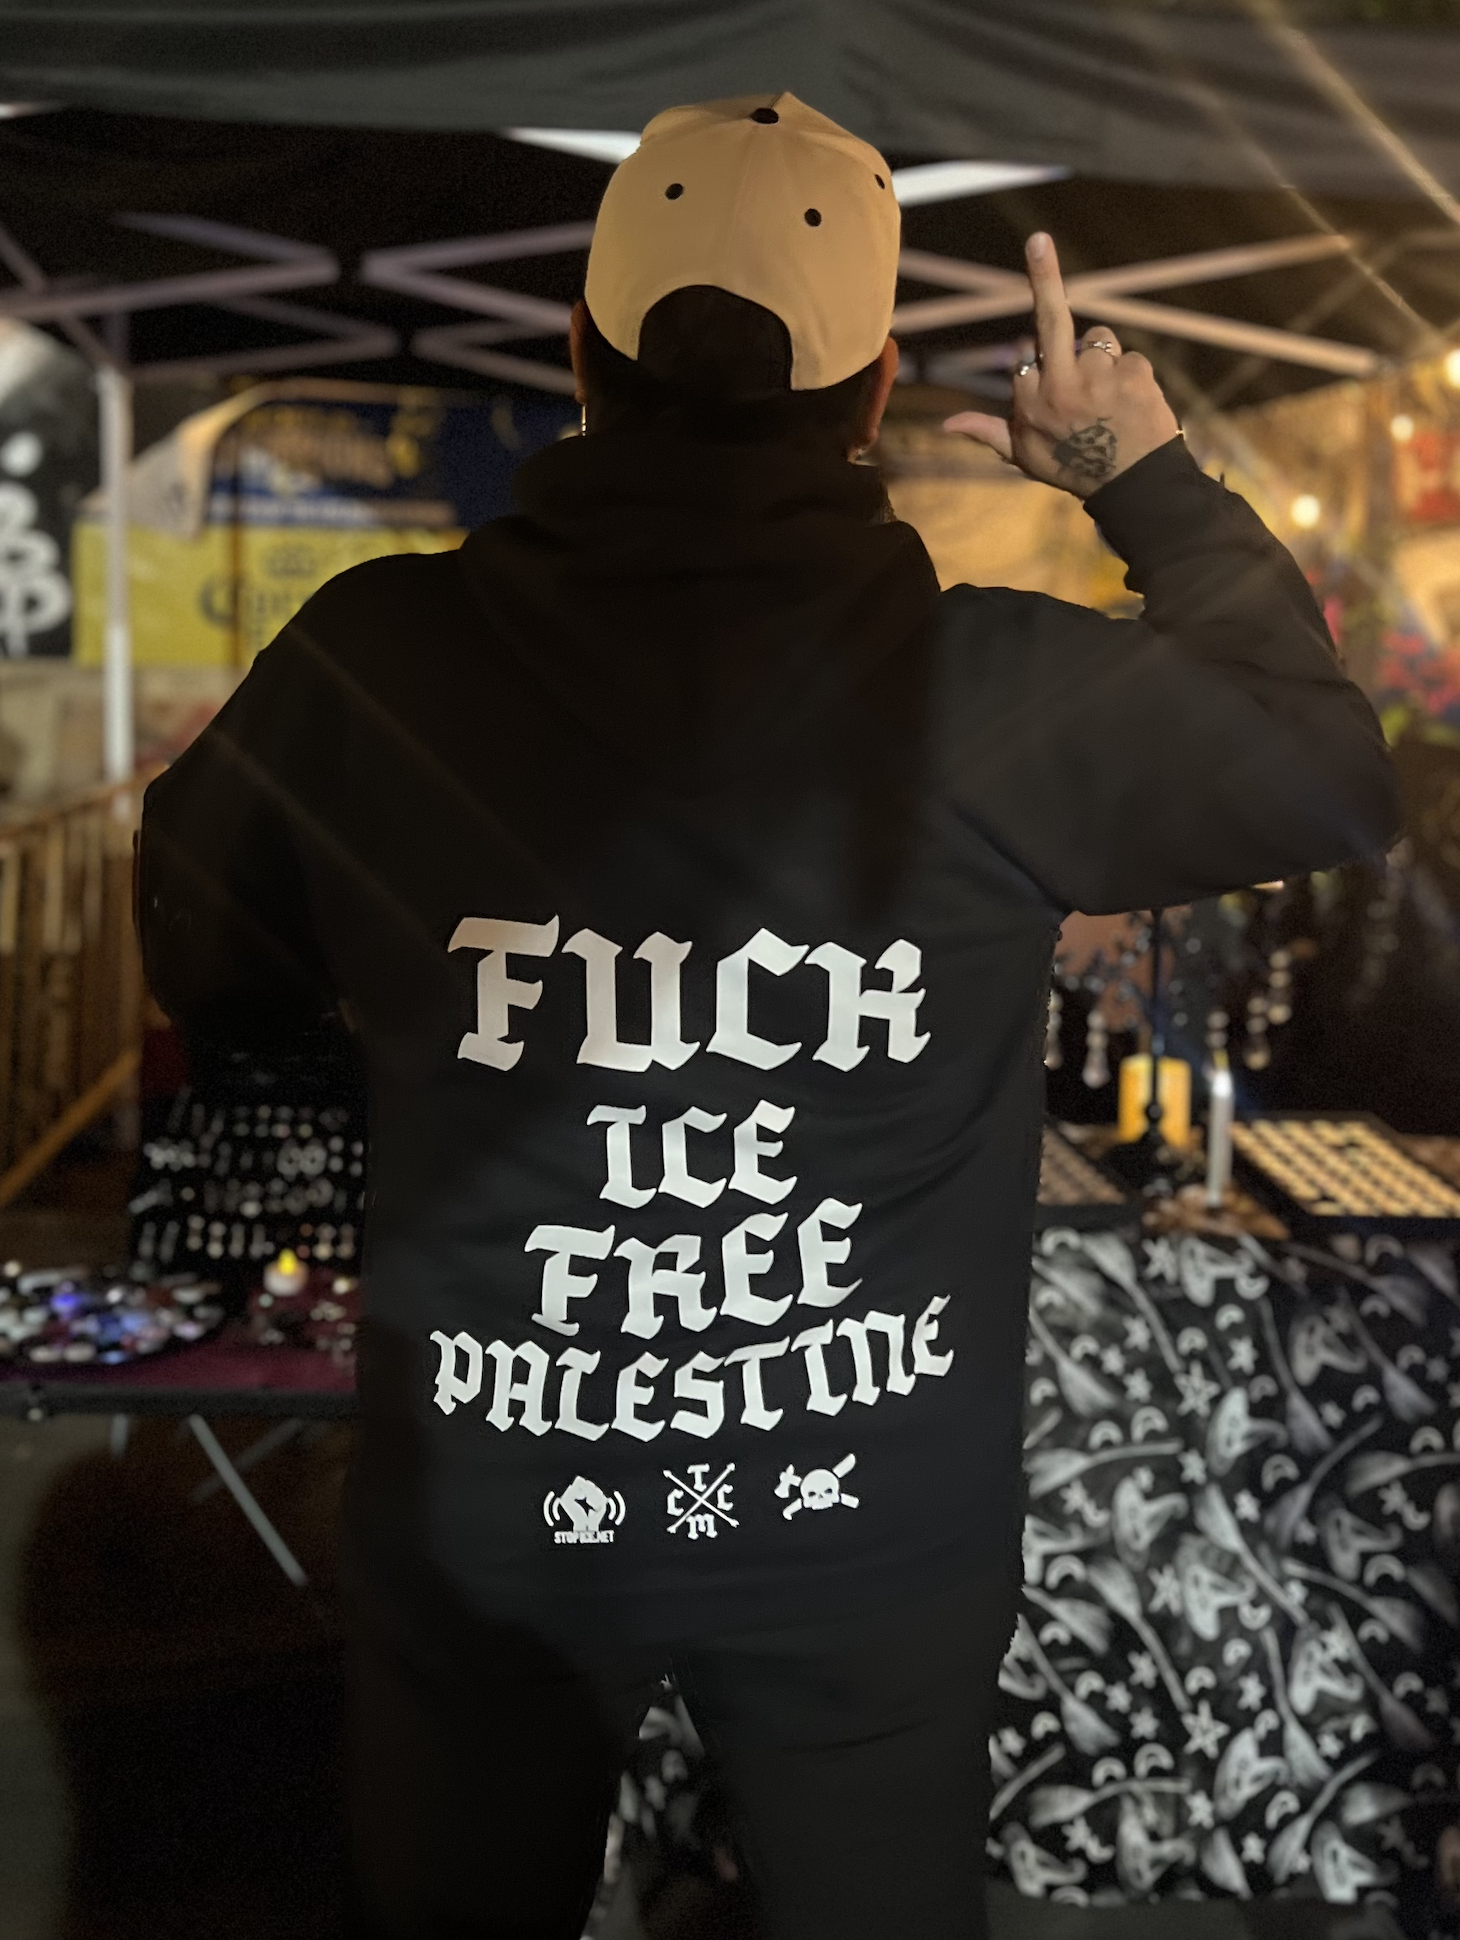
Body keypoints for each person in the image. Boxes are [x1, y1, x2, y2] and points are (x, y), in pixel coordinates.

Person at [138, 92, 1397, 1940]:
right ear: (872, 391)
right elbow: (1328, 773)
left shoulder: (377, 658)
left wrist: (405, 1031)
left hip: (500, 1498)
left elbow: (205, 951)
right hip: (862, 1522)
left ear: (580, 351)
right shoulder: (991, 692)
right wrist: (1135, 473)